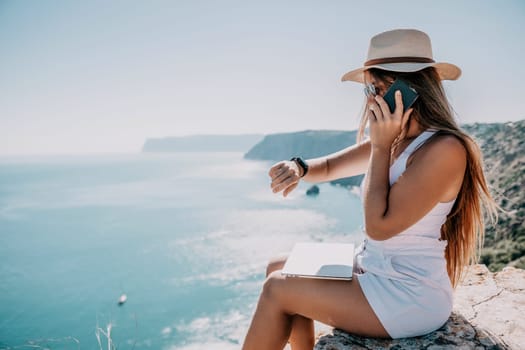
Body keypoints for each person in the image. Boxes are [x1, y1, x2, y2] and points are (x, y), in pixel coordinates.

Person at [242, 29, 497, 350]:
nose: (370, 98)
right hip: (377, 268)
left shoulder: (443, 149)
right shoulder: (396, 140)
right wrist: (299, 167)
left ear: (408, 90)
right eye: (369, 89)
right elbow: (332, 168)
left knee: (277, 289)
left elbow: (379, 228)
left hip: (409, 294)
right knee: (278, 265)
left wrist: (379, 147)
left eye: (376, 88)